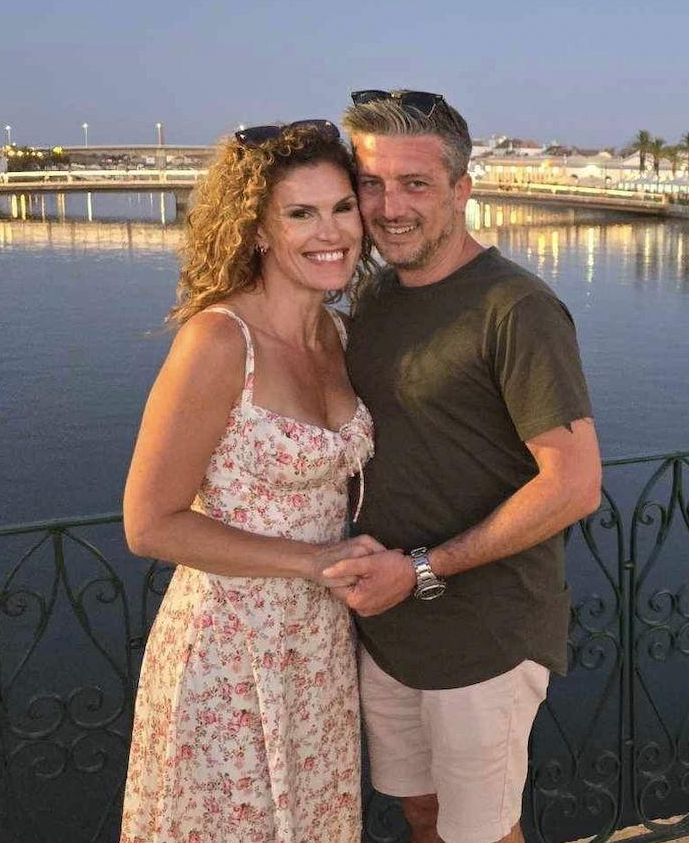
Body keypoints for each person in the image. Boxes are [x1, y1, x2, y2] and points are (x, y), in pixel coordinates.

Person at [325, 90, 603, 843]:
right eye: (372, 185)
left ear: (460, 190)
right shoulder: (377, 293)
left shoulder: (516, 308)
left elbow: (574, 484)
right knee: (421, 812)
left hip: (484, 632)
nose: (389, 207)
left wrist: (420, 568)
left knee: (481, 834)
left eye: (415, 184)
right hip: (389, 627)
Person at [119, 120, 380, 843]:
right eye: (300, 213)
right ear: (258, 229)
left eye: (341, 207)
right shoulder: (218, 339)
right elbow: (150, 523)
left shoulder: (339, 334)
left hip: (320, 646)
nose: (330, 232)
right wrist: (310, 561)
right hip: (231, 655)